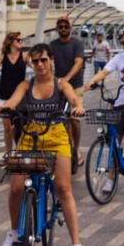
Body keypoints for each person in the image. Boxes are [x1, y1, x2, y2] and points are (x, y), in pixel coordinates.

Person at [0, 41, 88, 246]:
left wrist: (77, 107)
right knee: (16, 187)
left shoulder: (61, 84)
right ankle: (14, 231)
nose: (40, 64)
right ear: (32, 64)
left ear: (51, 61)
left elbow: (74, 99)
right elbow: (13, 101)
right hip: (30, 136)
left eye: (44, 59)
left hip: (56, 137)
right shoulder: (26, 85)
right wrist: (4, 108)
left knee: (64, 189)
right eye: (36, 61)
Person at [80, 26, 124, 193]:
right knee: (114, 139)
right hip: (120, 103)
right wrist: (91, 81)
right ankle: (111, 179)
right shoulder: (119, 58)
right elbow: (104, 71)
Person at [49, 17, 86, 170]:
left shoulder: (77, 44)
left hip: (75, 85)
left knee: (74, 118)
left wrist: (67, 78)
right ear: (57, 28)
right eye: (60, 26)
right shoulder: (52, 45)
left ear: (70, 28)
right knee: (60, 120)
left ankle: (77, 149)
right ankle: (65, 150)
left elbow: (79, 62)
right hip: (58, 86)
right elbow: (49, 63)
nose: (63, 29)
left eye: (66, 26)